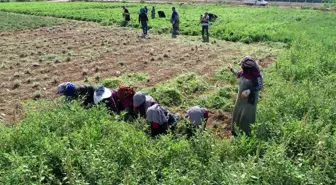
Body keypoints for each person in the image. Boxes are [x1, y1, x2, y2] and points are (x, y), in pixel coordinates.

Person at [228, 56, 263, 136]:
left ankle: (245, 134)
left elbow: (259, 86)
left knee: (246, 116)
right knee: (237, 113)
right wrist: (231, 69)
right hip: (240, 99)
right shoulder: (244, 73)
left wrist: (250, 90)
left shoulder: (256, 76)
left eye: (242, 66)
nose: (241, 67)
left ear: (248, 67)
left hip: (249, 100)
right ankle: (235, 130)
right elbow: (238, 73)